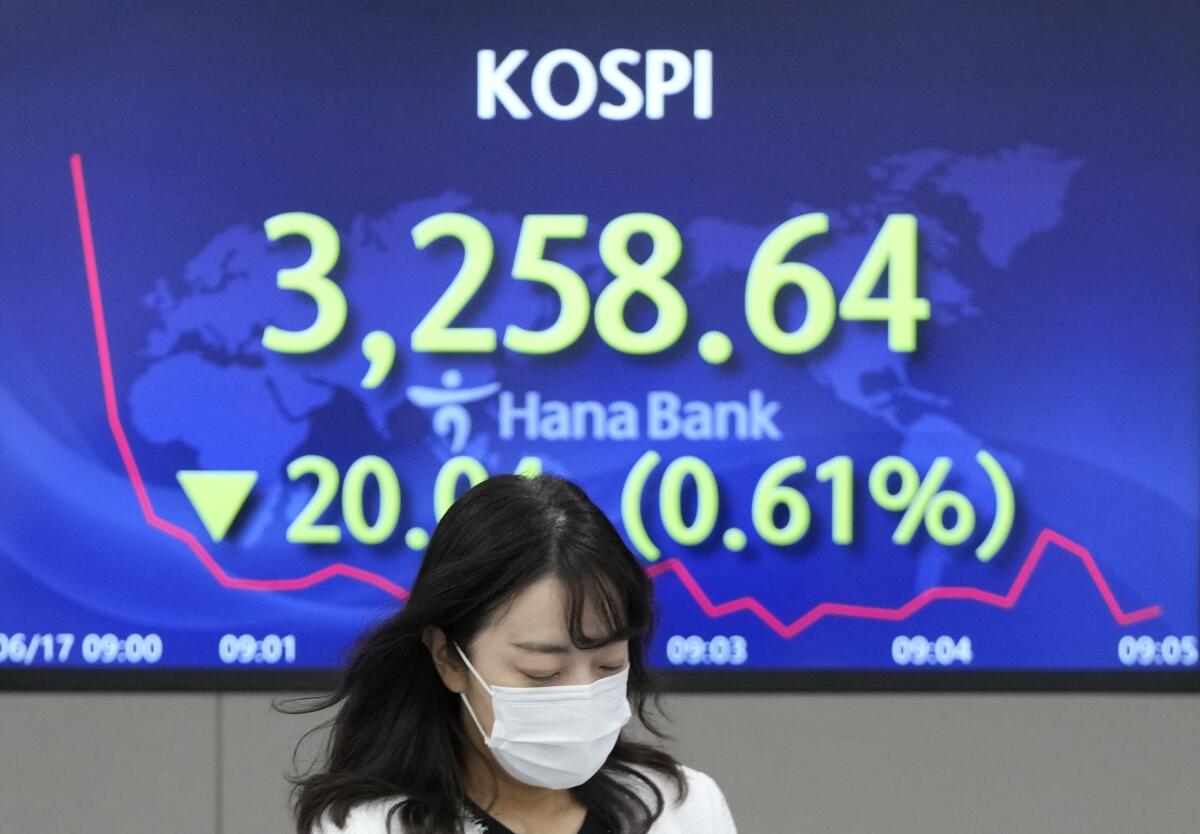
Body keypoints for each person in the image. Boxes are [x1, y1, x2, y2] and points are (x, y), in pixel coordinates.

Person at [283, 473, 737, 834]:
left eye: (609, 664)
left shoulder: (683, 807)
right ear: (448, 658)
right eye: (542, 672)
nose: (582, 694)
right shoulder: (369, 827)